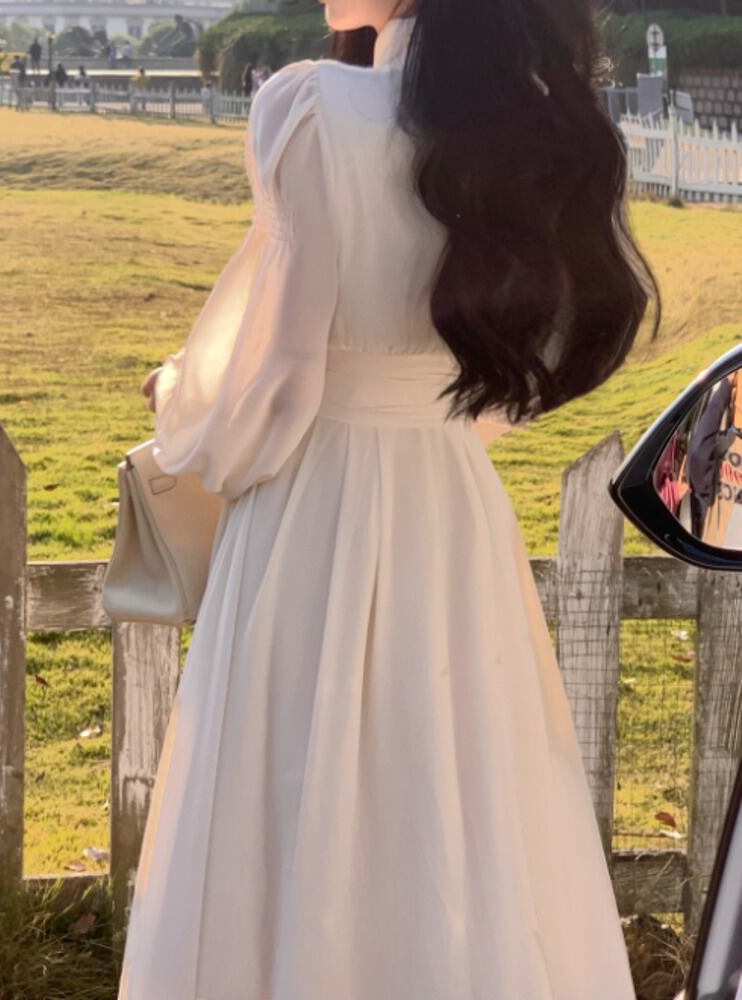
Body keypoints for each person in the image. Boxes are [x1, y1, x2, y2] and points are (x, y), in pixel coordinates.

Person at [121, 2, 660, 998]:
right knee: (456, 792)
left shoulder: (314, 110)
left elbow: (279, 381)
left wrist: (183, 411)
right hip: (451, 510)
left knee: (287, 793)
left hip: (315, 510)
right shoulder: (534, 130)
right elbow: (519, 370)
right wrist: (424, 419)